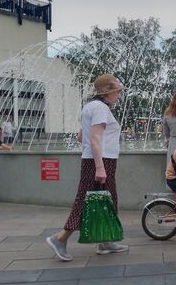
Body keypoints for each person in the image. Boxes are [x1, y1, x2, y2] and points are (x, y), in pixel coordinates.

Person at [46, 74, 129, 261]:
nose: (118, 95)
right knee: (85, 202)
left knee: (106, 200)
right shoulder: (101, 108)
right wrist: (100, 167)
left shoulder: (91, 106)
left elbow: (81, 136)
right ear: (106, 92)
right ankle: (59, 238)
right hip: (101, 161)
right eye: (117, 92)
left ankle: (105, 241)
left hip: (95, 159)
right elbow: (95, 138)